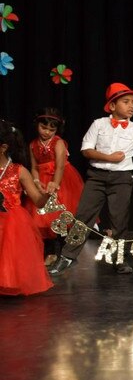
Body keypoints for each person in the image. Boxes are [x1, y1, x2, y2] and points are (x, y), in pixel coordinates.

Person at [48, 82, 133, 276]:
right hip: (96, 177)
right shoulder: (98, 124)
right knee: (83, 217)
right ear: (112, 106)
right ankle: (67, 257)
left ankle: (118, 259)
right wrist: (108, 158)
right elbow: (86, 150)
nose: (131, 106)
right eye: (126, 101)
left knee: (119, 221)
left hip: (121, 179)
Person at [25, 108, 84, 265]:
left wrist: (55, 184)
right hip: (43, 181)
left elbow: (60, 166)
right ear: (37, 125)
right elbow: (34, 167)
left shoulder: (58, 142)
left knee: (60, 215)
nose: (47, 132)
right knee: (43, 217)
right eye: (43, 128)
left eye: (51, 129)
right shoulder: (32, 145)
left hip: (61, 181)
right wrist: (36, 182)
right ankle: (50, 252)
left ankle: (66, 253)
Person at [0, 120, 52, 295]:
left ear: (3, 147)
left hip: (12, 222)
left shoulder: (19, 171)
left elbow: (38, 201)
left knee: (10, 254)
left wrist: (46, 195)